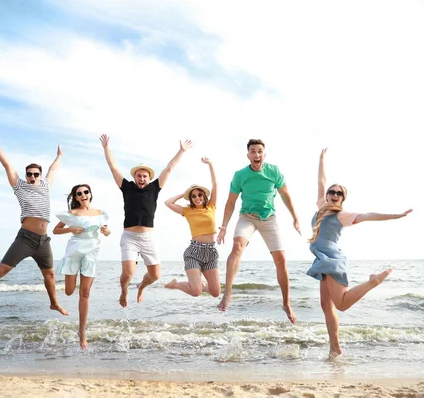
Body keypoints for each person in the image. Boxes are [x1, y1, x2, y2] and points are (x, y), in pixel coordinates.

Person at [307, 148, 412, 358]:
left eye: (339, 193)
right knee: (326, 307)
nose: (334, 195)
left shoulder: (342, 215)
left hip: (332, 260)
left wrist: (395, 216)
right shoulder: (321, 206)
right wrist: (320, 159)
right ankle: (334, 348)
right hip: (322, 260)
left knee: (341, 304)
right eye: (332, 192)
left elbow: (367, 215)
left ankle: (372, 282)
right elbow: (321, 179)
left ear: (342, 199)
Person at [0, 132, 69, 320]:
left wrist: (59, 156)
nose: (32, 177)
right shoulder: (19, 186)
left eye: (36, 174)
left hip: (43, 241)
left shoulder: (46, 185)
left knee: (49, 276)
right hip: (26, 238)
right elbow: (8, 165)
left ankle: (54, 303)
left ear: (40, 176)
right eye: (29, 174)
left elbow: (54, 169)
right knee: (1, 270)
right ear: (26, 176)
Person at [100, 134, 193, 308]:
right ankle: (124, 291)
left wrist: (181, 151)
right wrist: (106, 149)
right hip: (129, 237)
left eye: (144, 176)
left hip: (148, 238)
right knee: (127, 273)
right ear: (134, 177)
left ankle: (141, 287)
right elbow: (113, 168)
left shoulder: (154, 188)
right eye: (139, 176)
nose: (142, 179)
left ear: (148, 178)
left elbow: (169, 169)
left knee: (155, 275)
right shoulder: (127, 188)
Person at [216, 139, 301, 323]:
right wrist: (224, 226)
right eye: (253, 151)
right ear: (248, 155)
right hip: (247, 217)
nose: (256, 155)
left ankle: (286, 303)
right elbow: (230, 202)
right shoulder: (240, 175)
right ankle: (228, 293)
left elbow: (285, 194)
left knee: (281, 259)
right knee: (237, 246)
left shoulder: (274, 171)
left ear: (264, 154)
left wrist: (295, 217)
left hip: (269, 218)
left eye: (259, 151)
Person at [53, 184, 111, 349]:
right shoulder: (72, 213)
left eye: (86, 192)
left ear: (90, 194)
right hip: (74, 252)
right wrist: (70, 229)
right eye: (79, 193)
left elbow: (107, 232)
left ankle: (82, 333)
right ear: (76, 197)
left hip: (91, 253)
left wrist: (107, 232)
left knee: (85, 293)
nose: (83, 195)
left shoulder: (100, 213)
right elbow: (55, 230)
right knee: (69, 291)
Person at [164, 157, 220, 298]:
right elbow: (168, 202)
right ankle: (175, 284)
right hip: (194, 252)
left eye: (199, 195)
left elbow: (216, 185)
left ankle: (199, 285)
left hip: (210, 252)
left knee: (215, 292)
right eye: (193, 196)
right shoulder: (187, 211)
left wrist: (211, 164)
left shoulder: (211, 207)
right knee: (196, 292)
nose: (197, 198)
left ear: (204, 196)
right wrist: (184, 194)